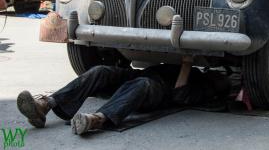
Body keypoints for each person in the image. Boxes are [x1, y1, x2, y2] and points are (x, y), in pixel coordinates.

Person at [17, 56, 230, 135]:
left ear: (220, 87)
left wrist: (186, 63)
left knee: (143, 83)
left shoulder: (206, 89)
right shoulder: (203, 75)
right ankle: (44, 106)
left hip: (155, 92)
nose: (221, 76)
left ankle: (96, 120)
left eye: (224, 80)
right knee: (101, 71)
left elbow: (181, 95)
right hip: (139, 76)